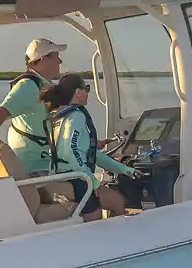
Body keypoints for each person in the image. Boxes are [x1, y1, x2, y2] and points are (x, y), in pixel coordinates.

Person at [42, 74, 135, 219]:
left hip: (60, 176)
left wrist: (125, 169)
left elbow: (92, 154)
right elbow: (71, 151)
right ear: (78, 92)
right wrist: (92, 182)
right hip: (78, 179)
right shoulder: (77, 116)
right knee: (114, 206)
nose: (87, 93)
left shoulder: (58, 115)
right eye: (87, 88)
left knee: (117, 202)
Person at [0, 37, 65, 174]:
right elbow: (2, 111)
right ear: (42, 60)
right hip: (34, 169)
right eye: (56, 57)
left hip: (46, 164)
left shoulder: (44, 85)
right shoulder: (28, 86)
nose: (60, 61)